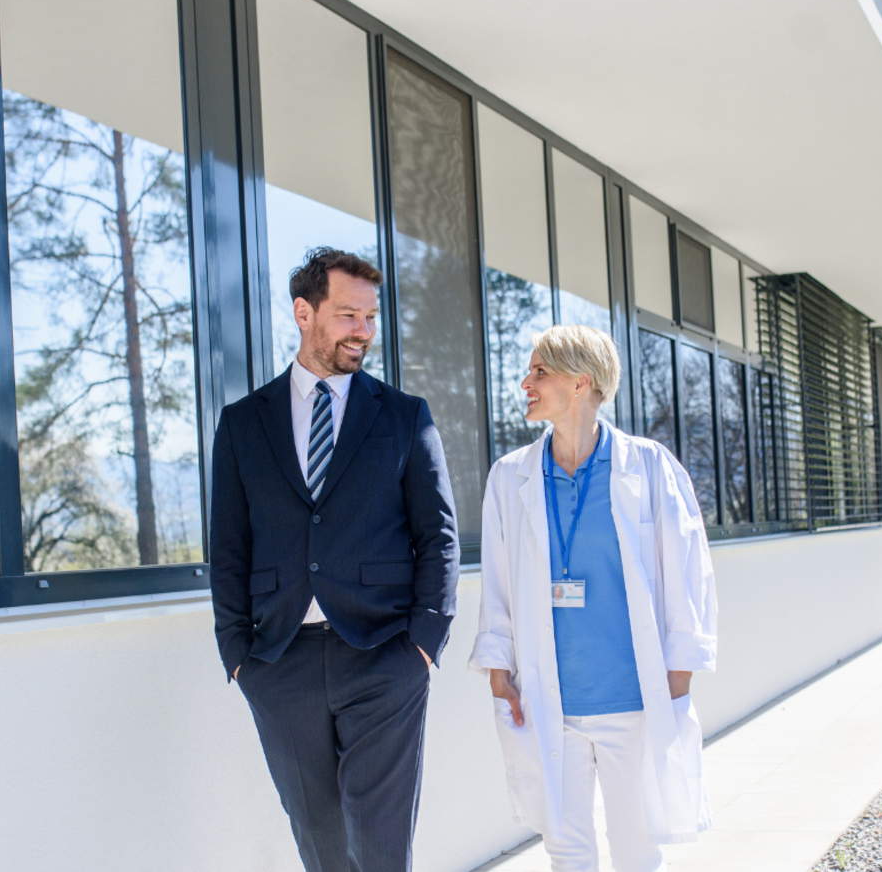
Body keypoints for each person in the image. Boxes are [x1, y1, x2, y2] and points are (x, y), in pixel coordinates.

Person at [211, 247, 460, 872]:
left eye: (371, 318)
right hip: (279, 660)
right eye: (349, 315)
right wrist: (238, 654)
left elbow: (439, 537)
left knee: (378, 846)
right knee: (319, 843)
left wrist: (424, 643)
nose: (364, 332)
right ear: (304, 312)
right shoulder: (243, 424)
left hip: (384, 654)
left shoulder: (404, 417)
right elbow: (229, 548)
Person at [470, 325, 717, 872]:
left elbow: (687, 574)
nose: (524, 383)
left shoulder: (650, 468)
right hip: (547, 700)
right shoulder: (509, 478)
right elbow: (498, 585)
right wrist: (498, 671)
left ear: (581, 382)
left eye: (540, 372)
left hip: (632, 699)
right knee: (567, 850)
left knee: (635, 849)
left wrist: (676, 682)